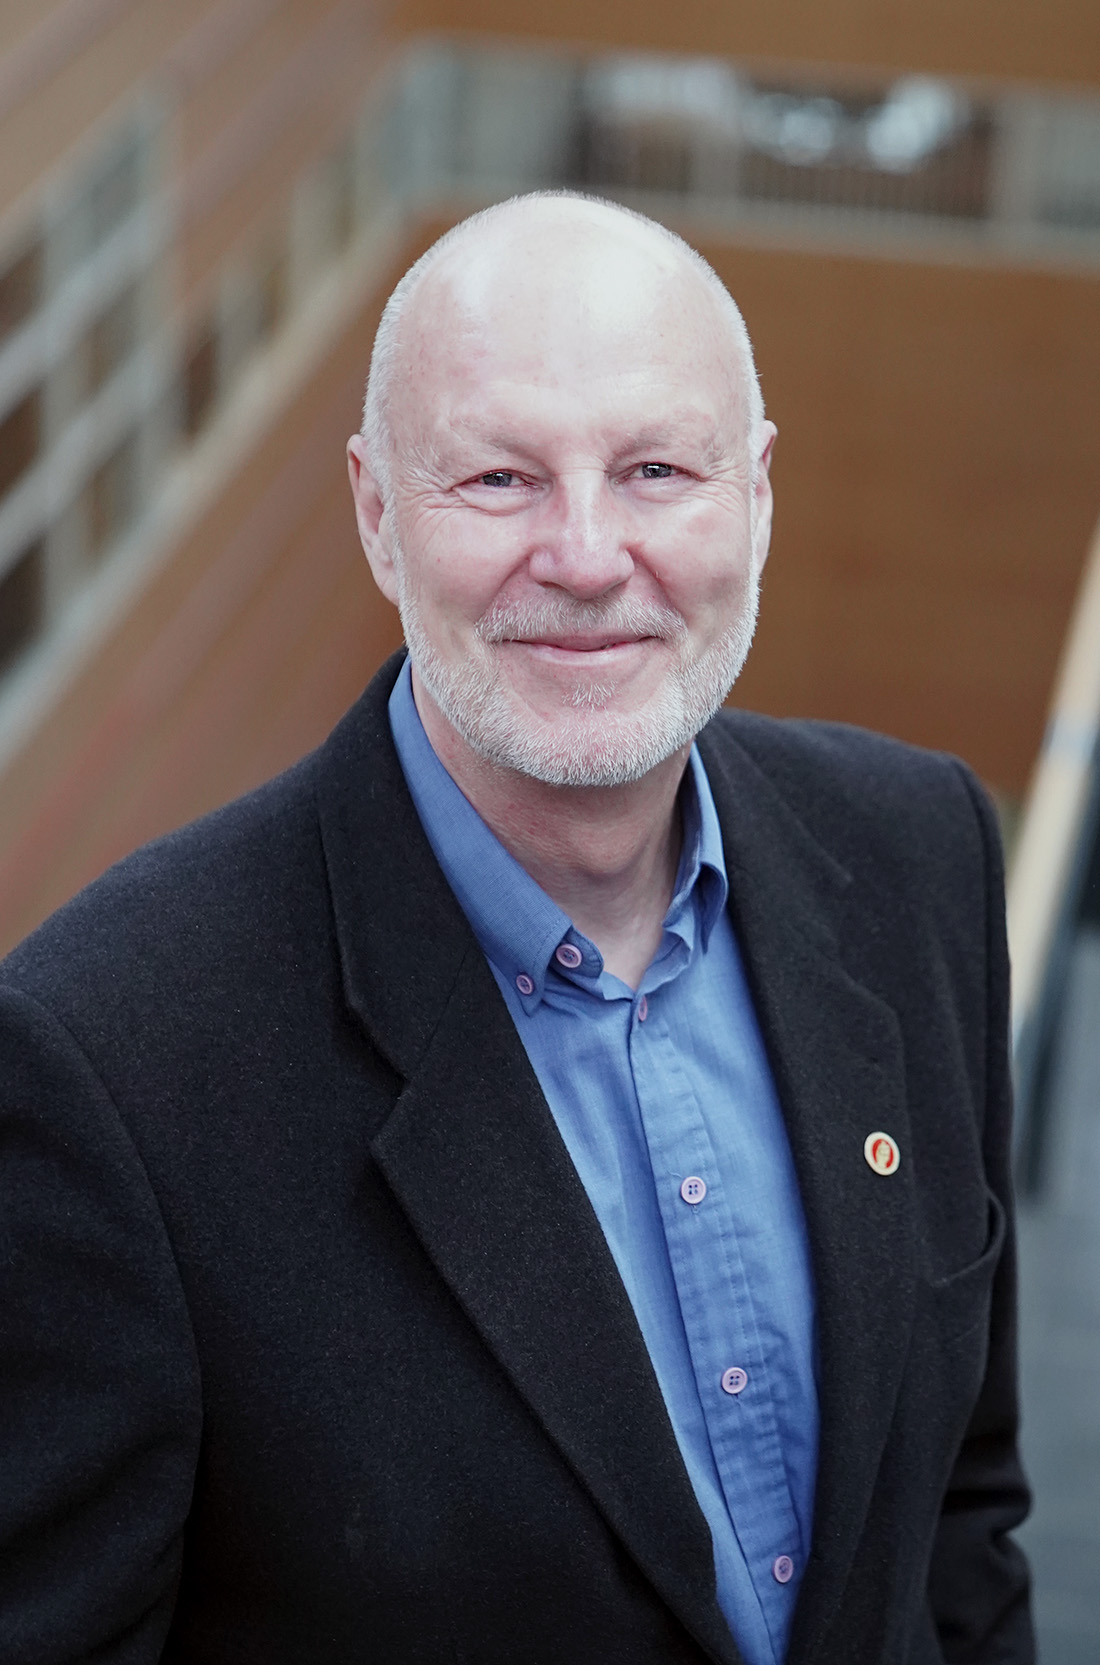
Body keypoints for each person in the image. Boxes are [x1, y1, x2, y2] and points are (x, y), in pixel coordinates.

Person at [0, 193, 1033, 1665]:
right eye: (497, 478)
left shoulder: (917, 854)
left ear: (757, 493)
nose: (589, 552)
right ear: (374, 511)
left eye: (657, 467)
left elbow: (958, 1519)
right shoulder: (107, 1063)